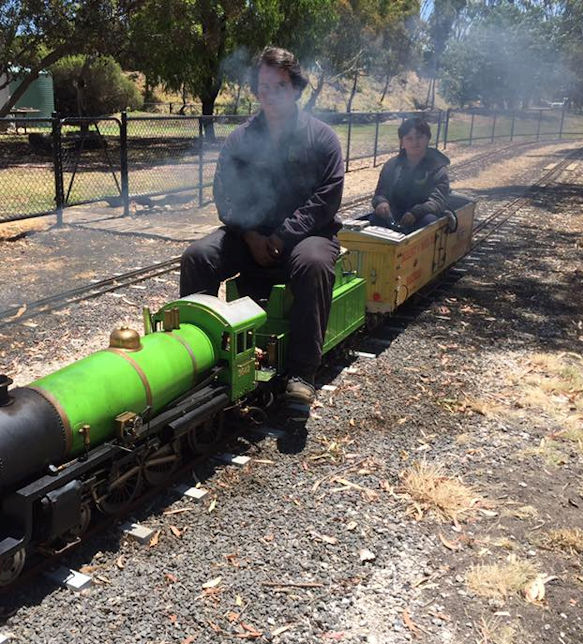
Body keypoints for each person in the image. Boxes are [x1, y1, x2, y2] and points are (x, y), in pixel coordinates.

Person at [179, 46, 344, 407]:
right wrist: (250, 234)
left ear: (296, 88)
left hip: (307, 236)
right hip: (251, 235)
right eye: (263, 86)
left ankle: (302, 372)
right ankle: (194, 357)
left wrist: (282, 237)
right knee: (198, 256)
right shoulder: (240, 139)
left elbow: (326, 199)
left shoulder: (322, 138)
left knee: (314, 263)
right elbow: (225, 192)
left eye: (279, 86)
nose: (269, 94)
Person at [371, 118, 450, 232]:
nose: (415, 142)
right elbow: (380, 193)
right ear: (402, 142)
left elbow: (437, 201)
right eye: (409, 138)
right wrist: (381, 202)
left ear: (427, 139)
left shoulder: (437, 167)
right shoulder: (391, 165)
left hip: (422, 215)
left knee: (429, 222)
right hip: (396, 213)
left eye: (419, 137)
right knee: (374, 219)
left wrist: (416, 213)